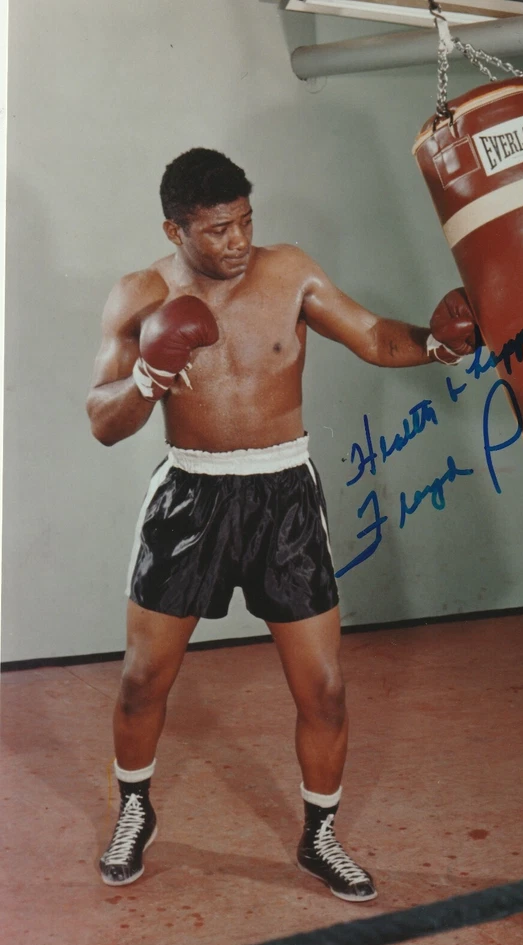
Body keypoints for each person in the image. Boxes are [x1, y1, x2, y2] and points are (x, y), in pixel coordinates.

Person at [86, 147, 478, 900]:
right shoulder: (138, 294)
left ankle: (319, 835)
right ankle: (135, 810)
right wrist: (147, 374)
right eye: (217, 230)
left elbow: (372, 336)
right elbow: (103, 421)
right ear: (174, 230)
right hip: (191, 495)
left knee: (324, 689)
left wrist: (437, 345)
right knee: (140, 681)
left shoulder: (290, 271)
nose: (237, 241)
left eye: (245, 222)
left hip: (284, 495)